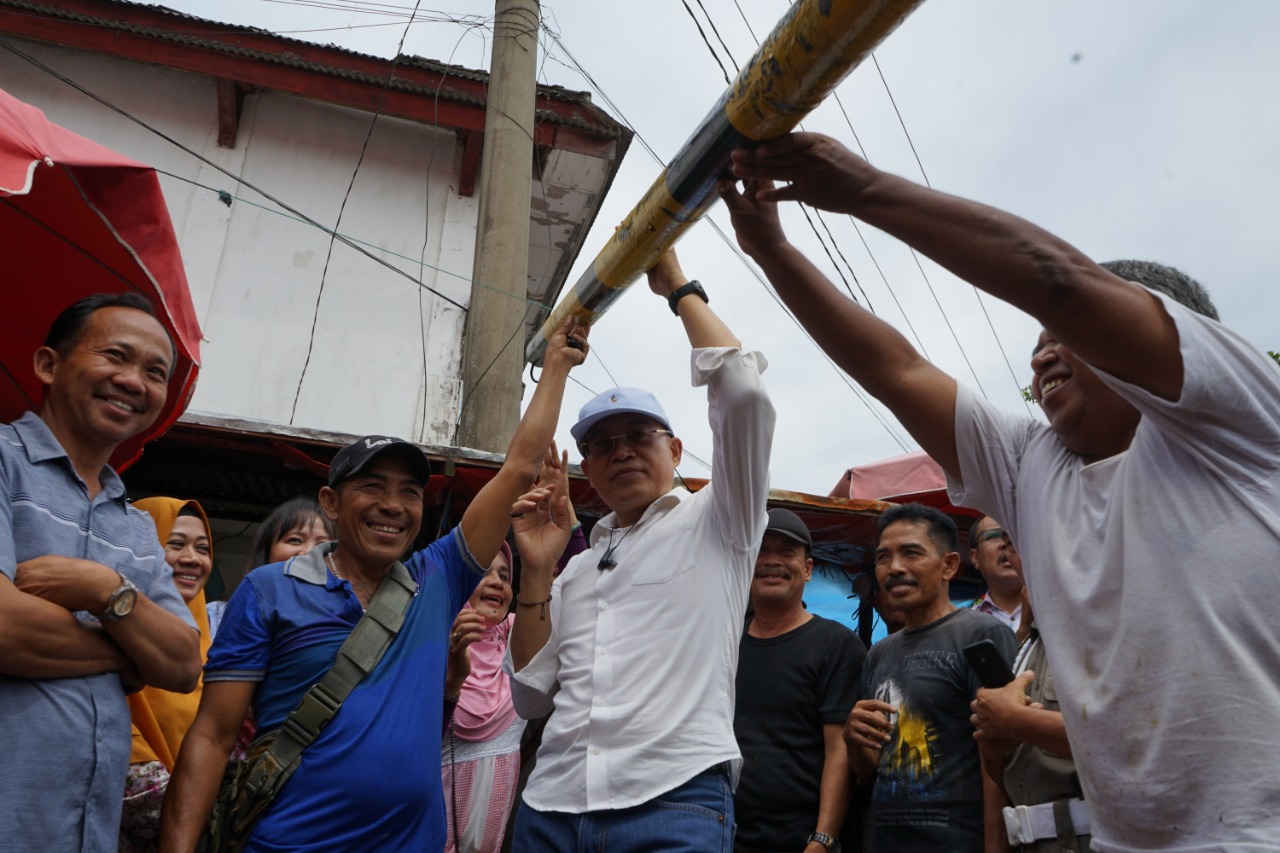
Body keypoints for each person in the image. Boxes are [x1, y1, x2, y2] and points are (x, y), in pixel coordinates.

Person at [722, 132, 1280, 849]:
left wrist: (861, 189)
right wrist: (771, 249)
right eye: (1038, 340)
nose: (1041, 351)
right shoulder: (1035, 466)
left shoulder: (1234, 419)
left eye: (1066, 336)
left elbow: (1060, 281)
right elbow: (894, 368)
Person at [157, 318, 587, 853]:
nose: (392, 504)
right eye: (372, 486)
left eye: (409, 491)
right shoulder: (270, 590)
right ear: (331, 503)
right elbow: (212, 736)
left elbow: (519, 468)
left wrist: (555, 367)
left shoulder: (439, 578)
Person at [505, 249, 775, 851]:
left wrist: (678, 286)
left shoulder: (720, 519)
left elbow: (745, 395)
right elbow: (529, 697)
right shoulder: (574, 566)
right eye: (602, 445)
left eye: (638, 436)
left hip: (672, 800)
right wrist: (536, 571)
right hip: (550, 805)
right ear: (588, 470)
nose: (621, 450)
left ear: (676, 451)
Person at [0, 293, 202, 853]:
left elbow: (184, 663)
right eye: (116, 356)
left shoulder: (137, 525)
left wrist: (104, 590)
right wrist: (130, 652)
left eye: (154, 372)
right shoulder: (4, 464)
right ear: (48, 364)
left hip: (88, 832)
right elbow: (4, 628)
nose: (135, 380)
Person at [844, 504, 1015, 852]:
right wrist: (853, 739)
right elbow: (871, 771)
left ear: (949, 565)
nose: (894, 568)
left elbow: (1000, 754)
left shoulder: (981, 636)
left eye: (911, 553)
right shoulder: (879, 653)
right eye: (883, 557)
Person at [733, 508, 866, 853]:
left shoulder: (836, 645)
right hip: (725, 835)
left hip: (801, 841)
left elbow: (840, 750)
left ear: (807, 569)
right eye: (761, 551)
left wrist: (822, 839)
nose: (771, 561)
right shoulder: (725, 644)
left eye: (786, 552)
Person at [120, 498, 217, 852]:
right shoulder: (110, 629)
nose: (193, 558)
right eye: (175, 544)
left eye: (203, 548)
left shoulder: (213, 644)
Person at [972, 582, 1091, 852]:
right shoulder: (1028, 646)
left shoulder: (1107, 629)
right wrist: (993, 748)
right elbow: (1001, 779)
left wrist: (1016, 721)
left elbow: (1134, 742)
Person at [206, 496, 334, 638]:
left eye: (322, 545)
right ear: (267, 552)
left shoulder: (344, 624)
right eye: (295, 540)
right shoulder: (217, 616)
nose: (308, 553)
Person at [967, 516, 1023, 633]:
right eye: (993, 536)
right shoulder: (962, 621)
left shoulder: (1058, 607)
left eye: (1014, 535)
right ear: (975, 557)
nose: (1005, 544)